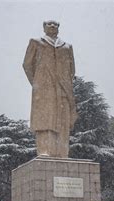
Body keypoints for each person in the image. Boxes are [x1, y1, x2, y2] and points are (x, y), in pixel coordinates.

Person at [23, 20, 78, 158]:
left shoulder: (67, 47)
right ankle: (44, 151)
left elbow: (72, 70)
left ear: (59, 28)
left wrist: (65, 82)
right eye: (49, 24)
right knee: (45, 120)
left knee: (63, 122)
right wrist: (38, 83)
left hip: (63, 89)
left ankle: (62, 152)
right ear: (44, 27)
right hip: (44, 90)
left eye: (56, 24)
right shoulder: (36, 42)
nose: (53, 26)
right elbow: (27, 65)